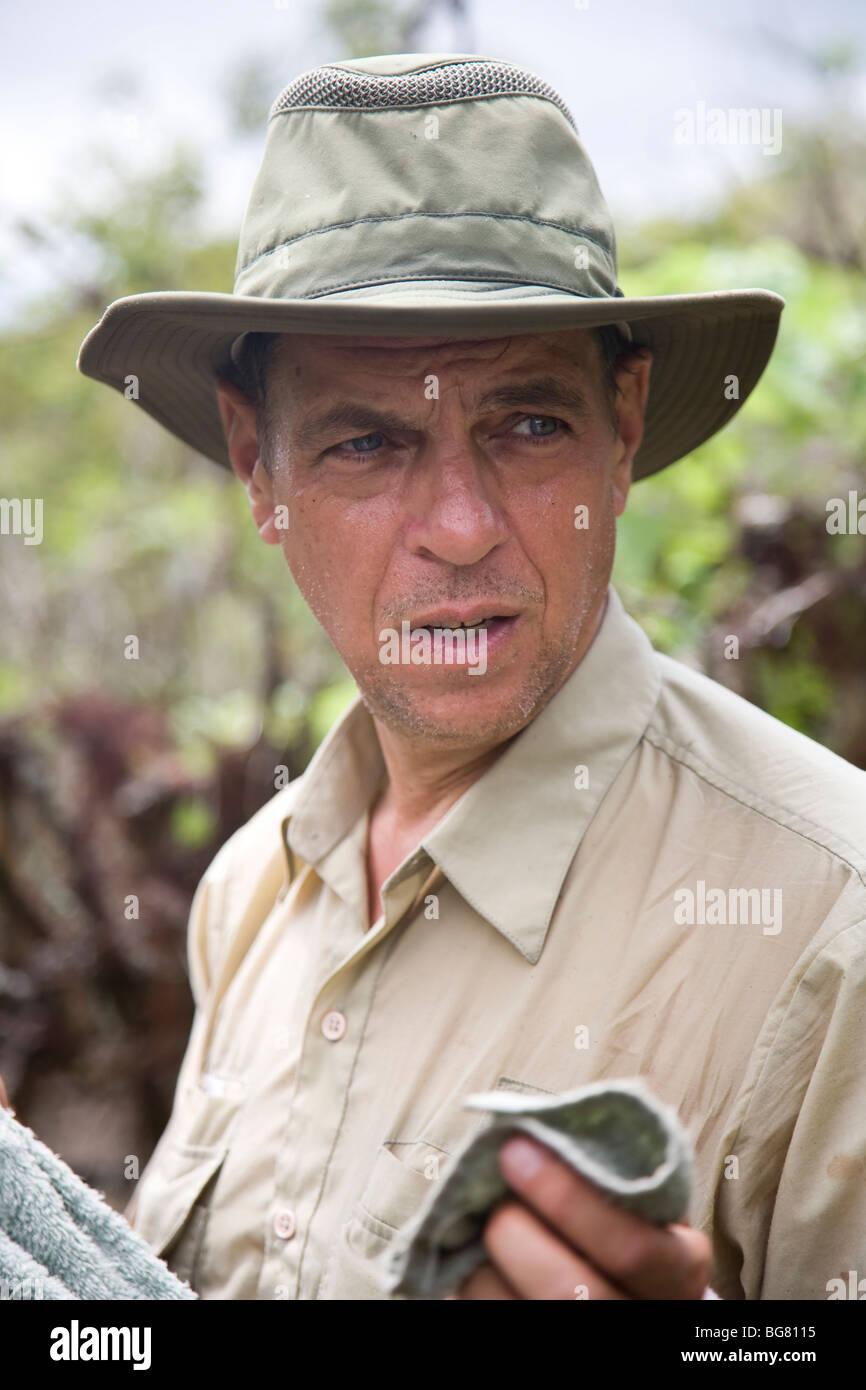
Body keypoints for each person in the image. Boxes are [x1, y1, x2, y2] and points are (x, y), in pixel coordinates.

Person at [74, 52, 866, 1301]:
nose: (456, 523)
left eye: (529, 424)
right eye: (366, 441)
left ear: (622, 429)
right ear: (255, 462)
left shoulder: (834, 919)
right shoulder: (252, 893)